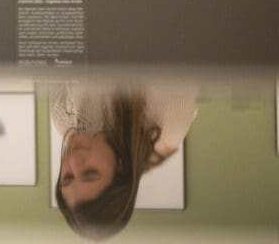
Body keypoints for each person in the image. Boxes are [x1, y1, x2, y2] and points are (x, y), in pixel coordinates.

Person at [50, 81, 198, 240]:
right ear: (120, 170)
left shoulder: (63, 120)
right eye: (90, 173)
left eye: (67, 177)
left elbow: (56, 59)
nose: (73, 161)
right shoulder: (168, 122)